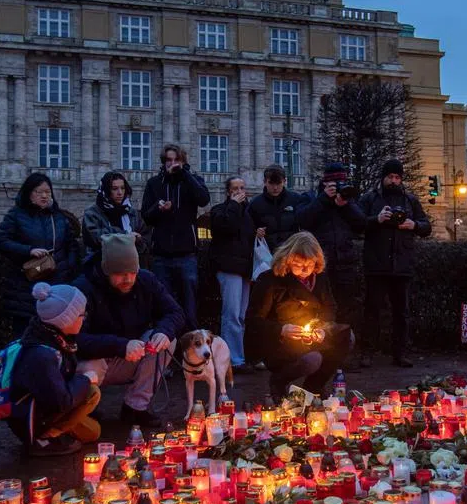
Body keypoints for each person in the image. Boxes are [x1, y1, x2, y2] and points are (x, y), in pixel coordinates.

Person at [73, 233, 185, 428]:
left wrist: (164, 332)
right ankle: (84, 408)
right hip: (97, 358)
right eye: (120, 273)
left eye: (132, 272)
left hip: (132, 353)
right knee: (88, 368)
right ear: (106, 270)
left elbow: (174, 312)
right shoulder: (84, 289)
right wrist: (120, 346)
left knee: (167, 341)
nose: (128, 279)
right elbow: (76, 340)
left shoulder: (146, 281)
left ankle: (135, 407)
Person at [5, 283, 121, 457]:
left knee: (93, 432)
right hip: (30, 417)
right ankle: (44, 439)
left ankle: (58, 430)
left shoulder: (53, 337)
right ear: (66, 319)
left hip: (43, 408)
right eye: (82, 314)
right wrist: (87, 379)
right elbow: (61, 401)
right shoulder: (42, 354)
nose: (85, 318)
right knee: (92, 392)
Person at [245, 232, 353, 400]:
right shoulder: (270, 280)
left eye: (309, 264)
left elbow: (330, 307)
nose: (304, 270)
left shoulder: (320, 279)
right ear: (287, 259)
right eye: (298, 264)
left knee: (346, 336)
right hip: (279, 343)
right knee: (313, 359)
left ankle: (313, 388)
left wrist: (322, 328)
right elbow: (253, 320)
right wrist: (282, 330)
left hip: (311, 337)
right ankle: (279, 381)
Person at [358, 159, 432, 367]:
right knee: (372, 311)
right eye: (390, 177)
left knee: (401, 313)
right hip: (377, 265)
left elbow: (427, 227)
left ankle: (400, 353)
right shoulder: (370, 198)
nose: (393, 181)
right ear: (383, 178)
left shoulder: (410, 200)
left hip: (401, 265)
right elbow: (357, 223)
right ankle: (367, 352)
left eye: (397, 177)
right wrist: (377, 219)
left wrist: (413, 224)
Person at [0, 173, 84, 338]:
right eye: (39, 192)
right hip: (26, 285)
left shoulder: (58, 216)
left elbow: (71, 245)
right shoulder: (15, 215)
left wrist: (69, 268)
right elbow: (3, 242)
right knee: (26, 334)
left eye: (48, 192)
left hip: (57, 283)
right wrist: (28, 250)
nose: (44, 196)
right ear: (29, 193)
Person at [141, 144, 210, 332]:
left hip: (186, 253)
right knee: (164, 304)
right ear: (164, 163)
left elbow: (203, 199)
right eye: (169, 160)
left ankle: (191, 347)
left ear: (183, 161)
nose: (172, 164)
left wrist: (185, 174)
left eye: (176, 160)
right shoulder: (154, 183)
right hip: (161, 254)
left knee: (190, 303)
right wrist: (158, 208)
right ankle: (166, 345)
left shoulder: (192, 180)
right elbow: (146, 216)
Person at [298, 162, 368, 330]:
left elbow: (362, 224)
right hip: (319, 263)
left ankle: (343, 343)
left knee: (346, 305)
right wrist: (323, 199)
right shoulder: (311, 197)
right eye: (333, 184)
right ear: (324, 183)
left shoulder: (348, 201)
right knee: (319, 305)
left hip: (345, 262)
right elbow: (302, 220)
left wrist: (346, 205)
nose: (337, 188)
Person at [209, 176, 256, 372]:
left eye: (242, 188)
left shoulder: (249, 213)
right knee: (231, 315)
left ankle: (239, 356)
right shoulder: (220, 210)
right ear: (229, 192)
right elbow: (224, 227)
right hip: (229, 269)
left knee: (241, 315)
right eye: (235, 188)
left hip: (245, 269)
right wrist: (234, 206)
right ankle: (232, 360)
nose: (239, 191)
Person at [81, 171, 147, 258]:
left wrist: (138, 240)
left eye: (122, 188)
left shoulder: (132, 213)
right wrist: (124, 235)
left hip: (129, 265)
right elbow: (93, 238)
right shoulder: (92, 213)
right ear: (106, 190)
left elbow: (145, 243)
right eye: (115, 189)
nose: (120, 193)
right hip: (100, 265)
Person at [248, 164, 305, 252]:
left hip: (292, 251)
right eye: (271, 183)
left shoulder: (296, 199)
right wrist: (255, 232)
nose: (275, 188)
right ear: (265, 182)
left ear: (284, 181)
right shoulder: (255, 203)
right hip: (267, 253)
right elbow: (247, 228)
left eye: (278, 183)